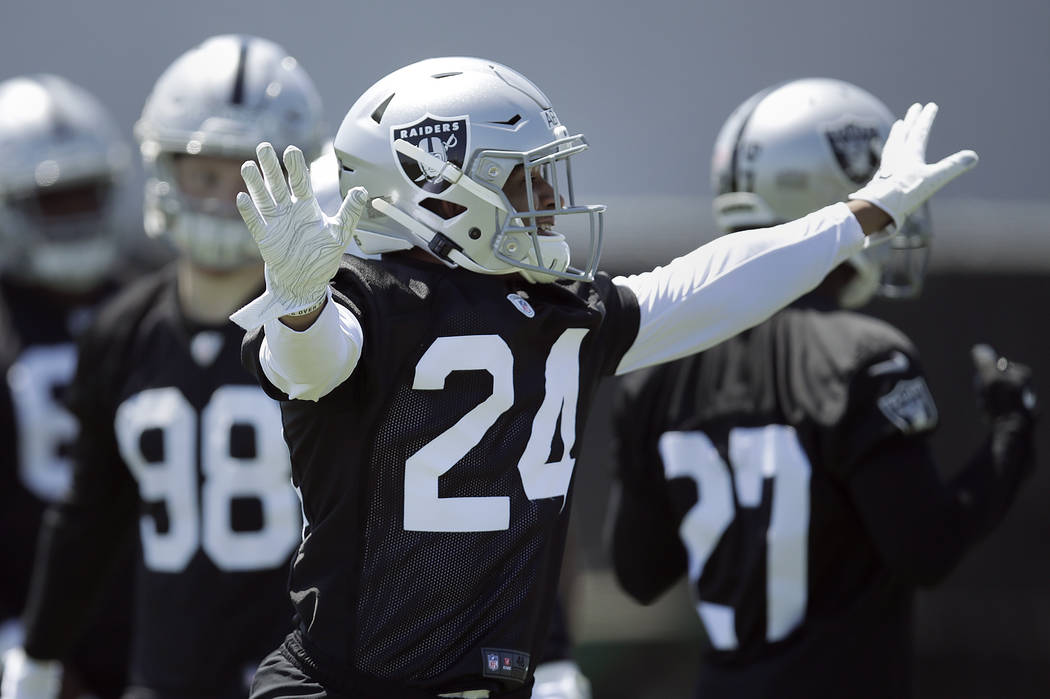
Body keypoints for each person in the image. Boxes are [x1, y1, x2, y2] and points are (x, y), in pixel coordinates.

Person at [228, 58, 977, 698]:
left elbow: (712, 285)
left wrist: (862, 212)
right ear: (437, 191)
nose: (551, 202)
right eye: (526, 181)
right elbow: (311, 364)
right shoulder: (368, 302)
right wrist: (298, 307)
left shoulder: (560, 314)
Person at [607, 78, 1038, 698]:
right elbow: (926, 549)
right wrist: (1011, 437)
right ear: (833, 192)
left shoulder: (654, 371)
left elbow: (640, 574)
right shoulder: (863, 355)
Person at [0, 34, 328, 699]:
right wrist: (37, 652)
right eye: (205, 173)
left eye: (252, 174)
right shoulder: (121, 329)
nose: (227, 199)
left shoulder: (335, 326)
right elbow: (88, 516)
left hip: (304, 675)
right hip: (163, 672)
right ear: (162, 168)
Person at [0, 73, 136, 698]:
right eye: (54, 201)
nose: (76, 216)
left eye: (87, 195)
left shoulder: (150, 295)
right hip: (24, 624)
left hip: (152, 627)